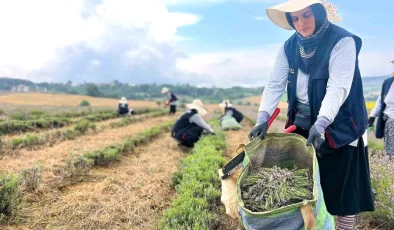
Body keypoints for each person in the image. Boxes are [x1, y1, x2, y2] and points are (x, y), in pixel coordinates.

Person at [248, 0, 374, 229]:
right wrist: (262, 118)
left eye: (306, 15)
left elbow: (338, 87)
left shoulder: (342, 41)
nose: (301, 23)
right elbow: (275, 83)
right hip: (304, 126)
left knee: (343, 195)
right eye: (295, 18)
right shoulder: (289, 47)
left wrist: (323, 122)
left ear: (318, 13)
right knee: (309, 188)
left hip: (340, 127)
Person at [368, 70, 394, 159]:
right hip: (388, 120)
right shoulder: (388, 82)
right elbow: (381, 101)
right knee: (390, 151)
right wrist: (372, 116)